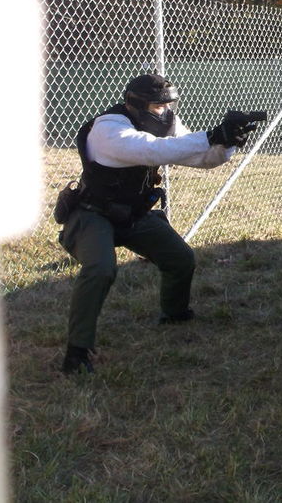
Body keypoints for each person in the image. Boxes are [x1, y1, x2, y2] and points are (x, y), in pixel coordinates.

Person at [57, 74, 256, 374]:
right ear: (136, 104)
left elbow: (202, 158)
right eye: (157, 106)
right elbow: (150, 150)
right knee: (100, 268)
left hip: (133, 213)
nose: (164, 112)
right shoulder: (109, 127)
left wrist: (227, 143)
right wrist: (211, 134)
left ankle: (174, 315)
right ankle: (78, 351)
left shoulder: (166, 123)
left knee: (181, 259)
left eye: (167, 105)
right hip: (92, 213)